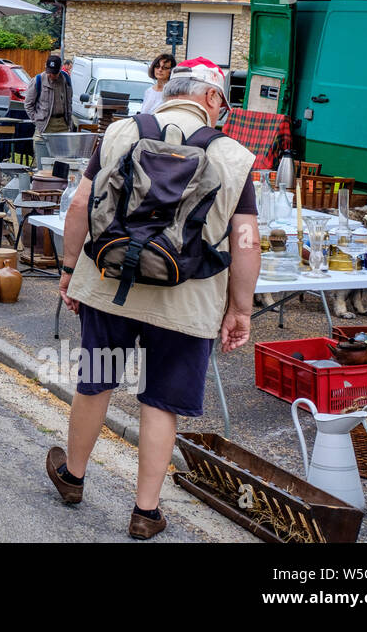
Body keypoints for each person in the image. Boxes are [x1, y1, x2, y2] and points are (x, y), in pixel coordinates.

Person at [50, 58, 258, 539]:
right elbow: (246, 239)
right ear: (210, 98)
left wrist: (69, 272)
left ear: (173, 91)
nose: (223, 113)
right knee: (161, 401)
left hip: (110, 283)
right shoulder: (233, 155)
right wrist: (240, 309)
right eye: (223, 104)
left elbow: (80, 204)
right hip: (189, 300)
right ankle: (145, 512)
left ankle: (73, 477)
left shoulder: (121, 131)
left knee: (96, 380)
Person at [25, 55, 75, 161]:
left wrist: (69, 122)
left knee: (62, 164)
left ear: (60, 69)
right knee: (42, 164)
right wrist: (37, 120)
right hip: (44, 126)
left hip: (63, 126)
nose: (52, 75)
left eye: (55, 73)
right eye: (50, 72)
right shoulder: (37, 80)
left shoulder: (66, 80)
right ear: (45, 67)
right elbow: (28, 104)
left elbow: (69, 103)